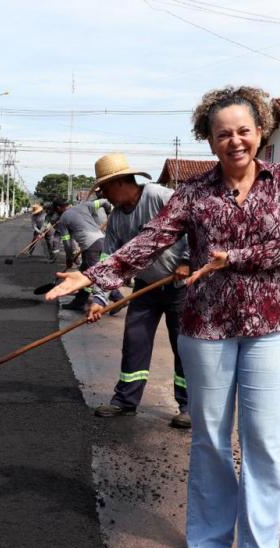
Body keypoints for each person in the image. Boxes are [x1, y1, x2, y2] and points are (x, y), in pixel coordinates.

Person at [45, 86, 280, 548]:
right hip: (207, 328)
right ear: (209, 142)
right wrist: (97, 274)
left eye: (243, 131)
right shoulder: (192, 194)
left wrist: (232, 257)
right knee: (210, 438)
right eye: (222, 133)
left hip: (271, 328)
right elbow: (153, 238)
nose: (234, 141)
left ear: (261, 132)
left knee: (262, 443)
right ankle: (210, 536)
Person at [88, 154, 192, 429]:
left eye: (105, 189)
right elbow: (108, 260)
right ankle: (125, 401)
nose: (104, 195)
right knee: (135, 341)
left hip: (180, 288)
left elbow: (194, 222)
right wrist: (98, 297)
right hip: (146, 287)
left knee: (183, 347)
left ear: (121, 182)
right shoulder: (116, 220)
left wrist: (187, 260)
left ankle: (189, 405)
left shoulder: (158, 196)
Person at [53, 196, 120, 311]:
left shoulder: (63, 219)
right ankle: (79, 302)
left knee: (95, 276)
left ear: (59, 208)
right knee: (85, 273)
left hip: (91, 246)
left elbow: (67, 243)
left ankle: (118, 299)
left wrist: (69, 258)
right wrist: (109, 211)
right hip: (102, 240)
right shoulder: (85, 205)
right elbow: (105, 201)